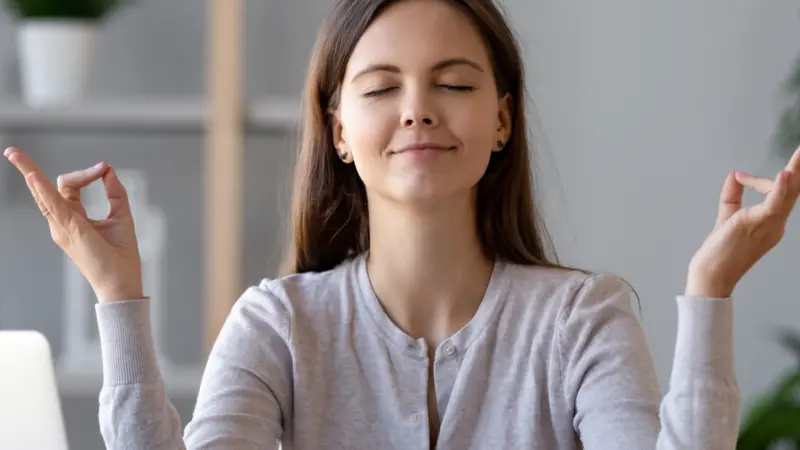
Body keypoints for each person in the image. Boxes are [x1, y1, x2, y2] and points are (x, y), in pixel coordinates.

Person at [4, 0, 799, 448]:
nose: (417, 108)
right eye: (381, 88)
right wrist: (119, 298)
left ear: (502, 120)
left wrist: (711, 291)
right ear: (340, 130)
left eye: (452, 82)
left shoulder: (582, 317)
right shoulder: (278, 324)